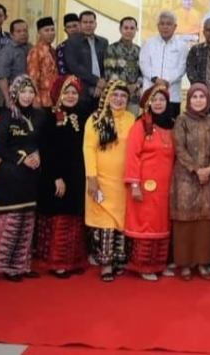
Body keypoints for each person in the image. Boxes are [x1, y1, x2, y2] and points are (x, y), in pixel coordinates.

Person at [35, 76, 90, 278]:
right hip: (56, 176)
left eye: (74, 93)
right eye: (67, 92)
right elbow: (46, 150)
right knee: (60, 218)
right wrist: (56, 177)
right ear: (58, 94)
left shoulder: (83, 115)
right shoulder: (49, 117)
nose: (70, 96)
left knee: (75, 218)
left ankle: (72, 261)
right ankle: (57, 262)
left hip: (77, 175)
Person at [0, 74, 45, 282]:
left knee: (27, 223)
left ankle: (22, 265)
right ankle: (6, 266)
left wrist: (38, 155)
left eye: (31, 91)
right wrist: (21, 159)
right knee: (11, 223)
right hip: (11, 176)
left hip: (31, 177)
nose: (27, 95)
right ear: (15, 93)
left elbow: (42, 142)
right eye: (23, 91)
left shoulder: (39, 116)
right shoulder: (7, 116)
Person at [84, 80, 135, 281]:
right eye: (115, 95)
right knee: (105, 222)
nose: (119, 99)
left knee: (120, 222)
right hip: (101, 180)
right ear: (107, 97)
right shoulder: (95, 119)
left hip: (123, 182)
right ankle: (105, 264)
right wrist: (92, 178)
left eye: (123, 96)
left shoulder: (131, 119)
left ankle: (118, 260)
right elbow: (88, 149)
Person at [171, 84, 210, 280]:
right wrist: (196, 169)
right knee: (185, 221)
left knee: (205, 222)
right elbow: (179, 148)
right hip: (186, 177)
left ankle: (203, 263)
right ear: (189, 99)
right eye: (195, 97)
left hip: (208, 177)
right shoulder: (182, 120)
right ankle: (185, 264)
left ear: (207, 100)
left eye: (202, 96)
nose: (199, 100)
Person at [124, 84, 175, 281]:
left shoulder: (171, 125)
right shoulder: (141, 126)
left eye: (162, 100)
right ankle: (144, 266)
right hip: (144, 187)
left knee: (163, 224)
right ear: (148, 103)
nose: (159, 103)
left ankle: (159, 264)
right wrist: (134, 185)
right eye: (155, 100)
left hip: (165, 187)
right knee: (147, 225)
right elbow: (132, 156)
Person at [140, 11, 189, 117]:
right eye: (162, 24)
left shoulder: (182, 46)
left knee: (170, 126)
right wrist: (155, 79)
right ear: (158, 26)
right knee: (149, 125)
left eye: (168, 24)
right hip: (150, 94)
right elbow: (144, 64)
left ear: (175, 27)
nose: (165, 27)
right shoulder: (148, 43)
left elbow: (182, 68)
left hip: (172, 96)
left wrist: (166, 81)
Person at [65, 10, 109, 110]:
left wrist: (101, 83)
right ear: (80, 24)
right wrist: (96, 81)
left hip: (102, 90)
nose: (88, 25)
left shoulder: (103, 42)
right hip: (82, 90)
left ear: (95, 24)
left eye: (91, 22)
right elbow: (74, 67)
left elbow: (106, 65)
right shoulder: (72, 42)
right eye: (85, 22)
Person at [104, 16, 142, 110]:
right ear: (120, 29)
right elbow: (109, 74)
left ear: (136, 30)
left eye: (132, 28)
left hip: (134, 97)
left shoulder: (139, 50)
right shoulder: (111, 49)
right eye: (126, 28)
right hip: (117, 97)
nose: (129, 31)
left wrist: (136, 86)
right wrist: (126, 87)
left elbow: (143, 73)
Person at [0, 19, 30, 111]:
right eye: (18, 31)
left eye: (25, 31)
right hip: (11, 98)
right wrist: (8, 99)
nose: (23, 33)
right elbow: (3, 78)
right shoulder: (6, 52)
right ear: (11, 35)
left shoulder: (31, 48)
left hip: (27, 96)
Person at [27, 17, 58, 108]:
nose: (50, 33)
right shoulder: (36, 51)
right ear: (39, 33)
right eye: (46, 30)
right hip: (42, 99)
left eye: (52, 30)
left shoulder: (53, 51)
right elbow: (33, 77)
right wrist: (36, 99)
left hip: (55, 99)